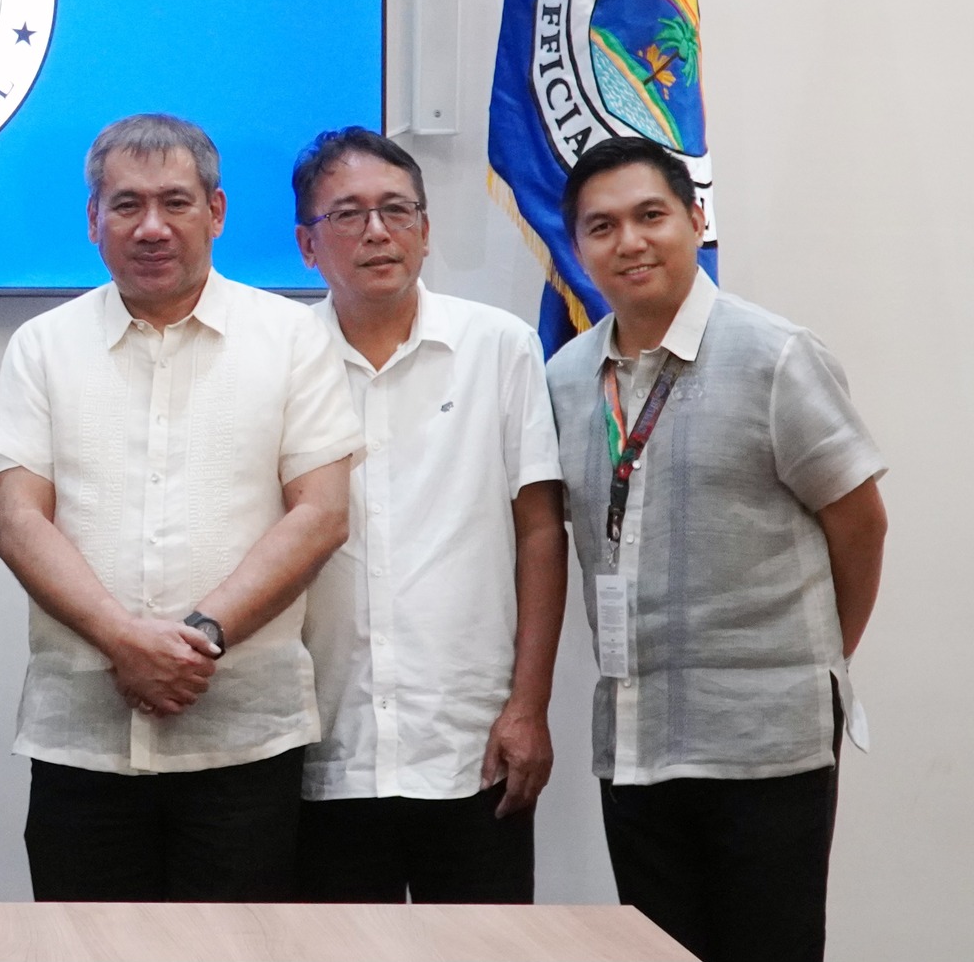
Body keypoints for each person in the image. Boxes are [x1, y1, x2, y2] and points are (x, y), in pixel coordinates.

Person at [0, 113, 362, 902]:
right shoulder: (42, 346)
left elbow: (321, 513)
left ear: (216, 212)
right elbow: (19, 521)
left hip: (244, 741)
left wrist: (199, 638)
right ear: (93, 220)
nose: (151, 227)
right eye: (126, 205)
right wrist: (125, 640)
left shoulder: (292, 339)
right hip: (82, 741)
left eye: (175, 202)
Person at [549, 135, 888, 962]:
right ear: (579, 246)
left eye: (650, 215)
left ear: (696, 220)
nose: (628, 241)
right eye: (601, 226)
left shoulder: (774, 355)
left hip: (763, 738)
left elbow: (861, 523)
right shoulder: (564, 377)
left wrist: (814, 659)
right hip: (631, 740)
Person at [289, 127, 565, 903]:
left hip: (473, 745)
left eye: (397, 210)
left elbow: (540, 532)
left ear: (426, 229)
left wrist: (529, 706)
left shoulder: (498, 348)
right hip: (326, 745)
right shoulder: (281, 358)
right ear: (309, 244)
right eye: (348, 214)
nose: (377, 231)